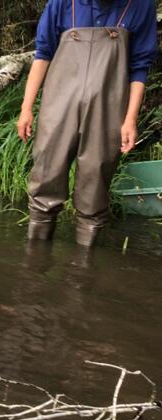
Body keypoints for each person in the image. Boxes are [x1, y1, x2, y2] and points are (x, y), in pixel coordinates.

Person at [17, 0, 158, 246]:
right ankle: (35, 262)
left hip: (108, 109)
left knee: (95, 184)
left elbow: (139, 66)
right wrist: (26, 108)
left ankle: (84, 270)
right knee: (45, 178)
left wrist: (130, 119)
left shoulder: (140, 5)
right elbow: (43, 54)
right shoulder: (61, 3)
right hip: (57, 105)